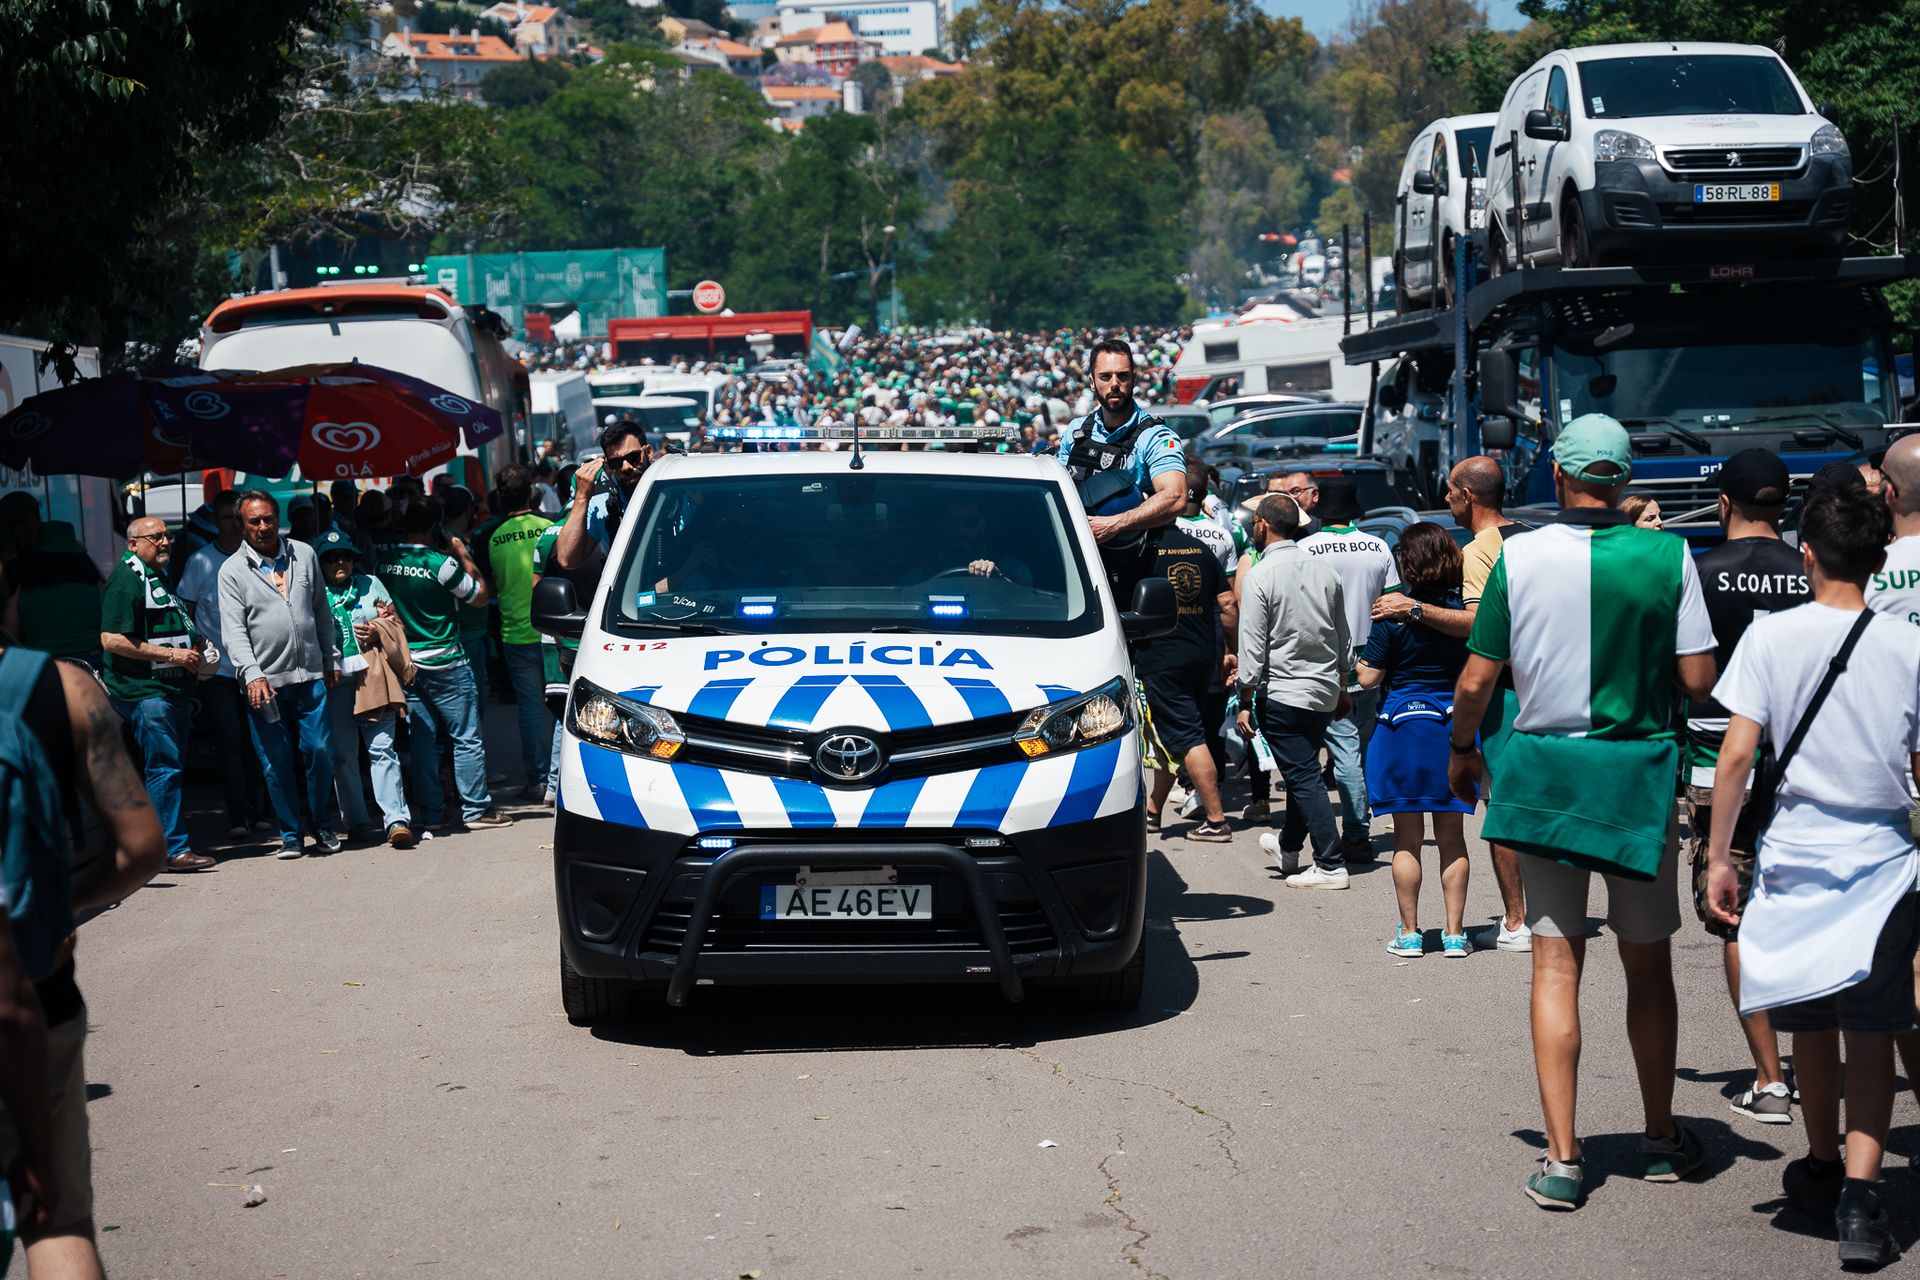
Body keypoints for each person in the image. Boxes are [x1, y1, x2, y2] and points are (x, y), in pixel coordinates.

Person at [1447, 414, 1717, 1210]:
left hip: (1546, 777)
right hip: (1635, 776)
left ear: (1558, 477)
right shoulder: (1669, 554)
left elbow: (1475, 681)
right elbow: (1699, 679)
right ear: (1625, 481)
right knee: (1647, 963)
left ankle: (1564, 1160)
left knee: (1556, 962)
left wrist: (1464, 749)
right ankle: (1662, 1137)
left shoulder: (1519, 556)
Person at [1705, 483, 1918, 1269]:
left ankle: (1822, 1165)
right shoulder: (1910, 646)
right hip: (1885, 863)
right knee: (1871, 1032)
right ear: (1881, 557)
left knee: (1813, 1027)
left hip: (1795, 858)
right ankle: (1863, 1201)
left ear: (1807, 555)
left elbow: (1736, 755)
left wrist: (1721, 856)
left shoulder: (1771, 638)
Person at [0, 638, 167, 1280]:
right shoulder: (63, 688)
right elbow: (141, 847)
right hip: (39, 993)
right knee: (57, 1224)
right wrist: (53, 909)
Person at [1681, 449, 1810, 1125]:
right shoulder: (1813, 571)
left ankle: (1769, 1076)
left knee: (1736, 917)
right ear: (1784, 506)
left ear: (1723, 504)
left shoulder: (1696, 573)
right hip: (1803, 760)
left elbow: (1679, 671)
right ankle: (1820, 1055)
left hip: (1715, 759)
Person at [1376, 456, 1531, 953]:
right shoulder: (1533, 536)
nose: (1445, 499)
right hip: (1547, 682)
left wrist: (1413, 609)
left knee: (1501, 804)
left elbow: (1480, 627)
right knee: (1493, 817)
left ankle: (1514, 921)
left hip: (1497, 692)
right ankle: (1464, 929)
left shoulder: (1480, 550)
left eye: (1449, 492)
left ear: (1467, 494)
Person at [1356, 523, 1474, 958]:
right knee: (1453, 837)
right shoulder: (1460, 609)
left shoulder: (1392, 615)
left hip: (1400, 728)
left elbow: (1369, 677)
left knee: (1406, 839)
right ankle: (1456, 933)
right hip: (1450, 726)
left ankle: (1409, 933)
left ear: (1409, 562)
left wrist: (1355, 662)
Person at [1235, 493, 1352, 889]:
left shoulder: (1260, 575)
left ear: (1264, 525)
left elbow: (1251, 648)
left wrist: (1244, 699)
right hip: (1322, 691)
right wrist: (1342, 684)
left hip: (1282, 691)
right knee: (1306, 772)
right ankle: (1288, 849)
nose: (1253, 528)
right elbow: (1343, 637)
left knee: (1304, 777)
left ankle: (1330, 863)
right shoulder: (1325, 571)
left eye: (1254, 522)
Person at [218, 490, 342, 860]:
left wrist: (330, 657)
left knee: (319, 751)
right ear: (241, 526)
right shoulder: (232, 571)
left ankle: (321, 824)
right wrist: (251, 674)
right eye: (254, 521)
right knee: (275, 760)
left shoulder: (303, 554)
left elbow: (321, 610)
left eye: (268, 519)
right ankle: (291, 834)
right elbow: (234, 631)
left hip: (310, 676)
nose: (263, 527)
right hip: (264, 684)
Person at [381, 498, 509, 831]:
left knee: (422, 740)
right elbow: (479, 596)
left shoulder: (385, 561)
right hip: (446, 662)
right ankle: (476, 809)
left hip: (407, 664)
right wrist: (462, 552)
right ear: (436, 526)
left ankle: (433, 814)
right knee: (465, 737)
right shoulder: (442, 564)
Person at [98, 517, 214, 873]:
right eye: (156, 537)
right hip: (147, 694)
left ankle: (165, 844)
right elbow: (112, 639)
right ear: (133, 544)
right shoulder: (126, 580)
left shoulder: (153, 574)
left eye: (167, 535)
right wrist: (172, 655)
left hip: (169, 688)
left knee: (169, 767)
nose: (165, 542)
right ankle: (170, 849)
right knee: (164, 768)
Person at [1297, 476, 1399, 863]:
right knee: (1363, 747)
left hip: (1327, 661)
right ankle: (1361, 823)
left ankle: (1356, 833)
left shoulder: (1308, 548)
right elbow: (1392, 604)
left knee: (1344, 752)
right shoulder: (1377, 547)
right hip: (1373, 658)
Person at [175, 489, 270, 839]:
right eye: (226, 518)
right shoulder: (200, 561)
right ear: (215, 522)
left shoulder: (260, 558)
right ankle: (238, 813)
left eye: (237, 518)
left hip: (256, 667)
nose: (232, 524)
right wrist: (196, 649)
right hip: (216, 670)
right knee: (229, 739)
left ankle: (261, 809)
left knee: (258, 739)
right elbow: (184, 610)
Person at [315, 531, 414, 848]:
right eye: (331, 557)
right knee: (343, 756)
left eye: (345, 555)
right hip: (334, 685)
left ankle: (396, 820)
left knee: (382, 750)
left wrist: (377, 630)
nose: (340, 562)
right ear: (321, 563)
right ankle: (357, 821)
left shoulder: (371, 584)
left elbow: (396, 624)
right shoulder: (314, 592)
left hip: (373, 679)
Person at [1138, 523, 1236, 842]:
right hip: (1200, 656)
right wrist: (1231, 648)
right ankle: (1153, 811)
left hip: (1161, 658)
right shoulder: (1201, 549)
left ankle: (1216, 820)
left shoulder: (1143, 553)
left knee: (1188, 735)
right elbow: (1228, 604)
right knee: (1172, 737)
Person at [1053, 339, 1186, 560]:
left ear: (1133, 379)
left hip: (1132, 561)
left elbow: (1176, 497)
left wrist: (1116, 524)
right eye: (1105, 376)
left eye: (1122, 376)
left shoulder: (1156, 436)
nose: (1115, 383)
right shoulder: (1076, 431)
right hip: (1077, 556)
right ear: (1093, 383)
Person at [484, 466, 556, 799]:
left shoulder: (493, 537)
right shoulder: (550, 529)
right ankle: (557, 781)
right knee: (561, 705)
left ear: (500, 495)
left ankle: (539, 778)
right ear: (530, 493)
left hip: (515, 632)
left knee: (529, 708)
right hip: (554, 630)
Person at [554, 420, 655, 572]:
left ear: (648, 452)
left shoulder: (677, 492)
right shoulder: (601, 506)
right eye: (617, 463)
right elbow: (567, 559)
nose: (626, 467)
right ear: (608, 465)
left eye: (633, 457)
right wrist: (582, 495)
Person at [4, 520, 102, 666]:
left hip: (44, 665)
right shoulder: (94, 583)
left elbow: (9, 634)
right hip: (90, 663)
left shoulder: (24, 588)